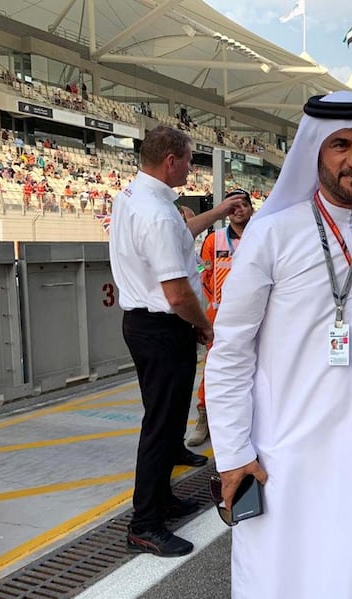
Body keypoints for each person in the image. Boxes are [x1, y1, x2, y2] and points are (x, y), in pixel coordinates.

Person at [204, 91, 352, 599]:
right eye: (341, 145)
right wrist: (232, 452)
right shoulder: (272, 234)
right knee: (282, 574)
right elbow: (230, 351)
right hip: (283, 448)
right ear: (315, 149)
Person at [109, 125, 246, 557]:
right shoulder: (160, 214)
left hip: (141, 324)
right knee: (160, 427)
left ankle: (161, 500)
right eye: (189, 159)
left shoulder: (133, 197)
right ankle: (145, 523)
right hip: (165, 327)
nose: (191, 166)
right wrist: (205, 326)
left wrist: (217, 213)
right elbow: (177, 293)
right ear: (171, 160)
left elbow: (177, 238)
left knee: (163, 422)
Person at [186, 188, 254, 447]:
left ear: (251, 208)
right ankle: (204, 416)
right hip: (220, 316)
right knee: (214, 368)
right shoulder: (213, 241)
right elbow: (205, 274)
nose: (239, 209)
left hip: (256, 315)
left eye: (243, 204)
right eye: (232, 205)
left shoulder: (261, 236)